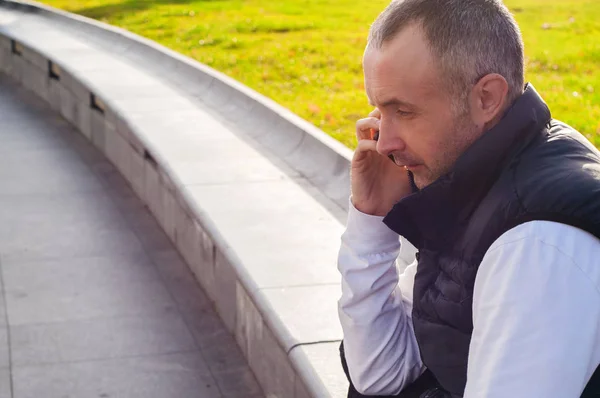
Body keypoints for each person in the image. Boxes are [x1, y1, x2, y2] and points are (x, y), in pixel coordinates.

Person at [336, 0, 600, 397]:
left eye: (403, 111)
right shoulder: (477, 183)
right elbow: (381, 375)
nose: (383, 142)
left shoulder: (534, 247)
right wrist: (371, 221)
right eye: (379, 110)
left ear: (487, 98)